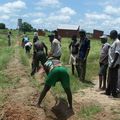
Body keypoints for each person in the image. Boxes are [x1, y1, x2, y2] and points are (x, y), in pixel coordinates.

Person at [105, 30, 120, 98]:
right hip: (111, 63)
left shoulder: (118, 42)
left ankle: (114, 93)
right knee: (110, 78)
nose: (110, 35)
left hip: (114, 64)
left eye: (110, 34)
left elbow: (117, 53)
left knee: (113, 79)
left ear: (114, 34)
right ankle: (108, 91)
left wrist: (113, 63)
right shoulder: (114, 42)